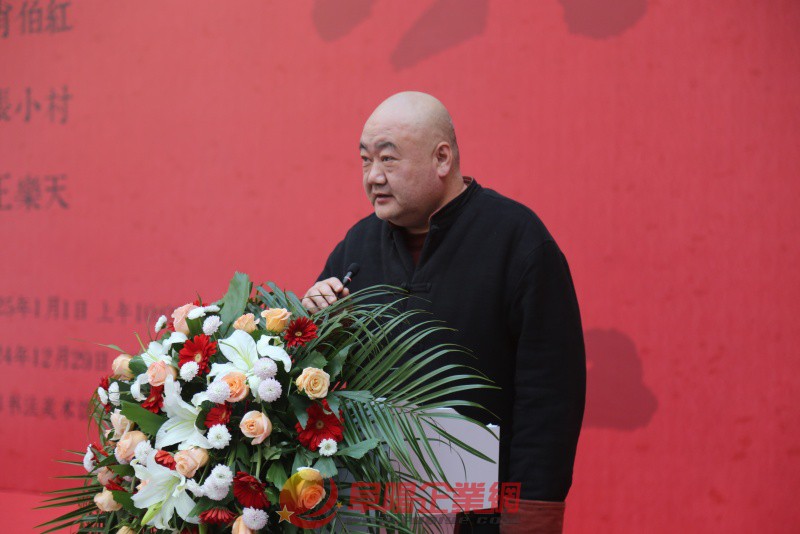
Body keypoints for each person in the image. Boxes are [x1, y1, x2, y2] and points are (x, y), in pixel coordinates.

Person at [302, 91, 586, 533]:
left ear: (442, 158)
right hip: (373, 509)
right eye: (365, 160)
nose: (373, 176)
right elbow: (317, 379)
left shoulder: (517, 240)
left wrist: (532, 516)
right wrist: (314, 323)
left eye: (388, 159)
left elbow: (549, 395)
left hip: (482, 512)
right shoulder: (358, 245)